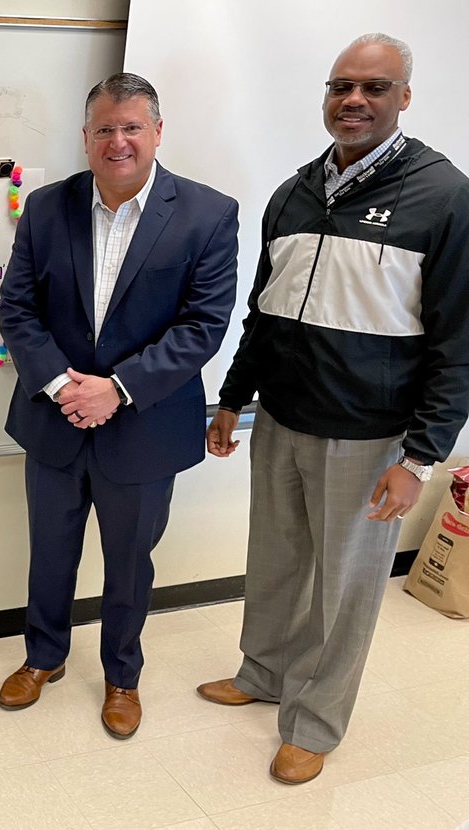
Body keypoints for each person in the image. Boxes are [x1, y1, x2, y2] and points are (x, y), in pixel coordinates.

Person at [198, 33, 469, 785]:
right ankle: (264, 674)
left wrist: (419, 459)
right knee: (277, 560)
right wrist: (232, 399)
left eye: (375, 88)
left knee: (345, 587)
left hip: (372, 436)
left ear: (404, 98)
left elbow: (459, 343)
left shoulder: (444, 197)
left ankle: (315, 723)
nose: (354, 100)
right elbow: (265, 313)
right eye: (341, 86)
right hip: (280, 419)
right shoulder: (293, 194)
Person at [0, 73, 239, 738]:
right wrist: (59, 385)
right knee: (48, 552)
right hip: (53, 422)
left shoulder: (208, 214)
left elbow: (203, 326)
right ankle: (43, 657)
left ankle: (122, 677)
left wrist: (117, 389)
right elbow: (17, 308)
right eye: (105, 128)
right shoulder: (46, 208)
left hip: (144, 429)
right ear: (85, 138)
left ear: (157, 132)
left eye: (132, 126)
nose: (118, 140)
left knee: (130, 562)